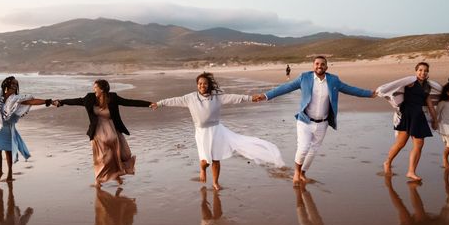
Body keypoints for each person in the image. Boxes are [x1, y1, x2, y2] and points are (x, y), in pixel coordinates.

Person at [252, 56, 375, 184]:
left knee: (313, 150)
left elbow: (351, 89)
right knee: (303, 148)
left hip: (323, 122)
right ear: (313, 66)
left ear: (326, 67)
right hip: (305, 121)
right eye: (317, 64)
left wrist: (369, 93)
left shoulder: (333, 80)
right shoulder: (304, 78)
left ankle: (303, 173)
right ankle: (296, 173)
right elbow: (285, 88)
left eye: (322, 64)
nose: (319, 66)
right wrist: (266, 96)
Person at [151, 72, 284, 190]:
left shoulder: (217, 96)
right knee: (205, 161)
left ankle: (215, 182)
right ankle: (202, 170)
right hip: (202, 133)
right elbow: (174, 100)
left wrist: (250, 98)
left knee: (215, 159)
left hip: (216, 131)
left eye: (205, 83)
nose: (202, 85)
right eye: (200, 83)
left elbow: (234, 97)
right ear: (197, 85)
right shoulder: (190, 98)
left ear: (208, 85)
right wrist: (159, 103)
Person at [53, 79, 151, 186]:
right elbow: (75, 101)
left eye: (95, 87)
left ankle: (116, 175)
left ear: (102, 89)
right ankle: (98, 179)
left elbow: (129, 102)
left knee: (118, 154)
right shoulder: (89, 98)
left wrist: (149, 104)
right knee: (102, 157)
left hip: (111, 128)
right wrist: (61, 102)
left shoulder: (112, 98)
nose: (93, 89)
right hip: (97, 130)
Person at [0, 76, 52, 182]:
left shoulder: (16, 99)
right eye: (13, 83)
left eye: (16, 84)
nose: (15, 86)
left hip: (7, 125)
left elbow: (31, 101)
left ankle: (10, 172)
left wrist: (47, 101)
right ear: (6, 85)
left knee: (8, 150)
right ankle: (0, 172)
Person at [379, 62, 440, 182]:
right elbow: (396, 85)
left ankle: (411, 171)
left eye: (425, 70)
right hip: (407, 114)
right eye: (420, 70)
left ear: (428, 73)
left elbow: (430, 105)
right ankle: (387, 162)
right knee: (401, 143)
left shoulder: (427, 87)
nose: (423, 73)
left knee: (419, 144)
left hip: (418, 116)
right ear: (416, 71)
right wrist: (382, 91)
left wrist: (435, 119)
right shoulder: (411, 82)